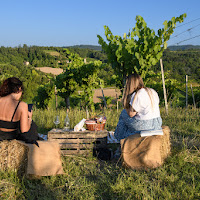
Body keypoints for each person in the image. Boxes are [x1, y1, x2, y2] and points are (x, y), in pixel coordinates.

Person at [114, 73, 162, 141]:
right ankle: (128, 134)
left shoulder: (137, 94)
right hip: (157, 122)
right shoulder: (151, 91)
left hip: (146, 124)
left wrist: (125, 104)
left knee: (124, 113)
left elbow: (131, 114)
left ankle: (119, 138)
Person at [0, 77, 39, 145]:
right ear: (19, 89)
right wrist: (29, 118)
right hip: (12, 137)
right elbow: (25, 130)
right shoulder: (21, 105)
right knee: (33, 125)